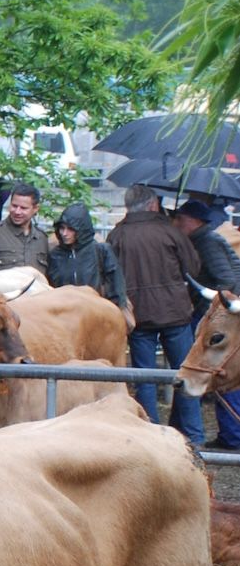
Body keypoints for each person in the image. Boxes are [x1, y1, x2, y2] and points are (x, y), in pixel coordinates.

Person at [107, 183, 203, 446]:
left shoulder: (117, 235)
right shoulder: (169, 231)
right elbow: (193, 267)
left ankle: (151, 433)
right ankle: (194, 435)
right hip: (175, 312)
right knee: (186, 375)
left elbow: (110, 274)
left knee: (144, 378)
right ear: (153, 204)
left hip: (138, 315)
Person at [174, 199, 240, 448]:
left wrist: (216, 312)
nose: (177, 223)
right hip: (221, 311)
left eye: (181, 219)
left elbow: (227, 279)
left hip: (223, 314)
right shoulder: (201, 239)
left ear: (196, 221)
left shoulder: (206, 241)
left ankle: (233, 435)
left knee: (223, 367)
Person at [46, 203, 128, 310]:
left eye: (70, 229)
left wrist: (114, 312)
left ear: (81, 230)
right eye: (62, 228)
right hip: (64, 316)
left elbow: (116, 288)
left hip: (95, 314)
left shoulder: (101, 251)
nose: (64, 233)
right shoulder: (55, 255)